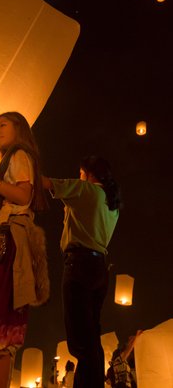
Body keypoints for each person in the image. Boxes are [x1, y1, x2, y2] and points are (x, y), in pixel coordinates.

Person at [0, 112, 49, 388]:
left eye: (4, 124)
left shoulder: (20, 155)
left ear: (20, 130)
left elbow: (23, 196)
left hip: (8, 242)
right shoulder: (7, 158)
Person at [42, 155, 121, 388]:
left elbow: (46, 183)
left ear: (89, 173)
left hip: (79, 265)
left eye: (80, 173)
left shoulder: (87, 190)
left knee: (80, 342)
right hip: (99, 268)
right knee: (91, 339)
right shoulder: (111, 202)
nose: (79, 177)